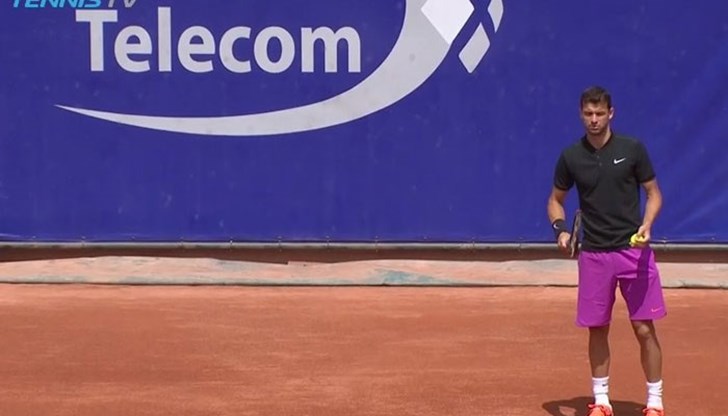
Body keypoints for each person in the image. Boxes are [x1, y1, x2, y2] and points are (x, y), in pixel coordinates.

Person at [546, 86, 667, 416]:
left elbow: (654, 194)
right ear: (581, 114)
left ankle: (654, 402)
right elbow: (555, 200)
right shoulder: (571, 156)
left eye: (600, 113)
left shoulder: (632, 149)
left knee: (644, 328)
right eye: (588, 113)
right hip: (594, 256)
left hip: (633, 253)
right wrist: (560, 230)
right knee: (597, 328)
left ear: (611, 113)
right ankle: (601, 401)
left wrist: (647, 225)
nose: (594, 119)